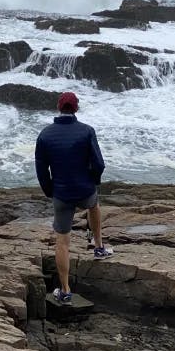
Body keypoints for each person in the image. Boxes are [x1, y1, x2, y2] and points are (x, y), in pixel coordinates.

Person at [35, 90, 112, 303]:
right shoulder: (87, 131)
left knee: (62, 242)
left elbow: (42, 170)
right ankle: (98, 247)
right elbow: (99, 164)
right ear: (76, 108)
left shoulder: (45, 135)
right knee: (94, 204)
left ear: (59, 108)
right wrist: (92, 181)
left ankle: (66, 290)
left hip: (61, 194)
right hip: (85, 190)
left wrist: (50, 191)